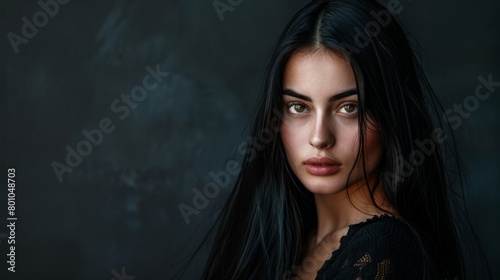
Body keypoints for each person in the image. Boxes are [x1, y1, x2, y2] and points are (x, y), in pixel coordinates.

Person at [199, 0, 491, 279]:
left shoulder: (382, 253)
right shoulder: (288, 240)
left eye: (349, 108)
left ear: (390, 115)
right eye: (298, 107)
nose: (319, 137)